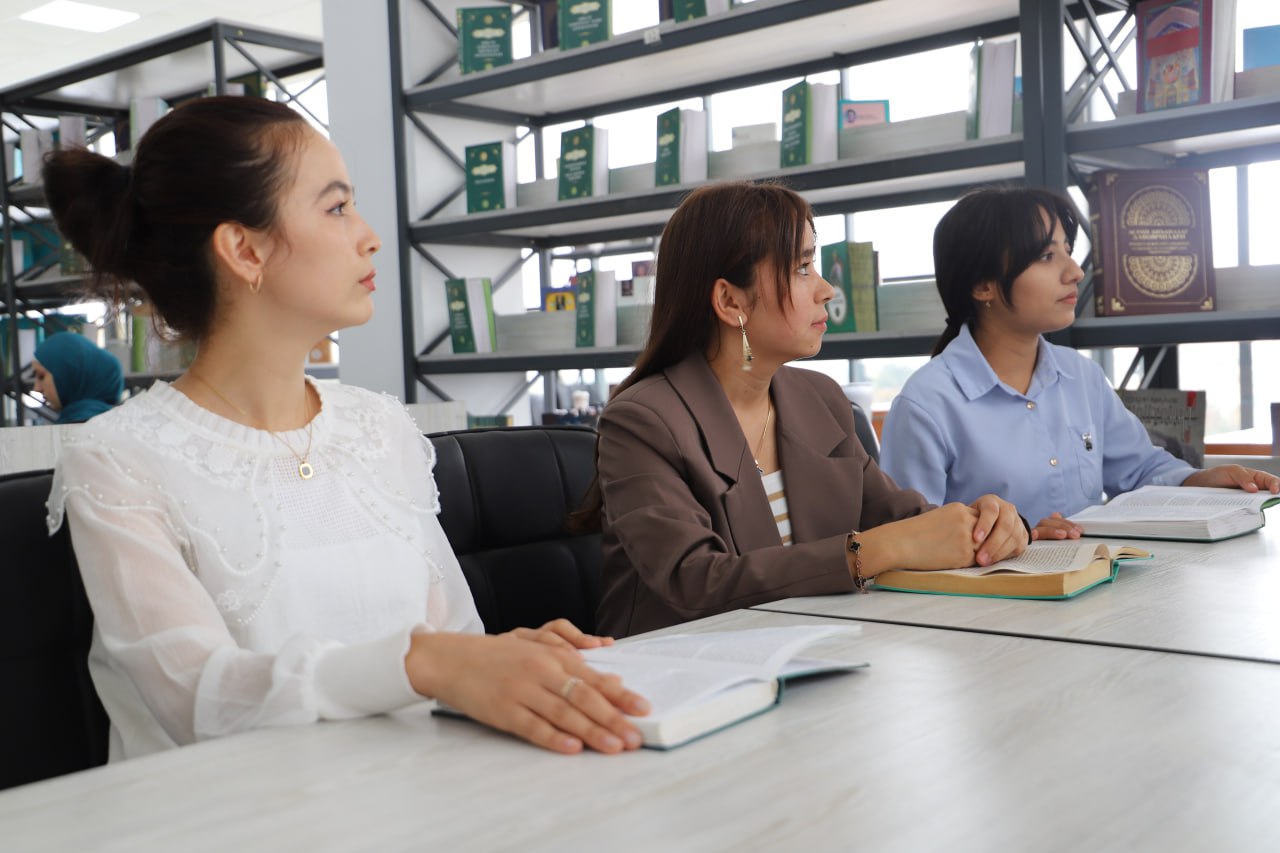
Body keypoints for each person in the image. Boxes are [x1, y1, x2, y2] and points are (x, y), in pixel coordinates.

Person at [41, 96, 647, 761]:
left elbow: (457, 639)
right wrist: (422, 664)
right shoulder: (117, 458)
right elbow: (196, 697)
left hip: (417, 794)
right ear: (244, 249)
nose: (370, 235)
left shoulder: (379, 427)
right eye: (336, 208)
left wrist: (512, 665)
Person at [577, 182, 1029, 639]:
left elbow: (900, 520)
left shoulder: (820, 398)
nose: (827, 289)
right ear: (731, 301)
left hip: (816, 655)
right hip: (677, 678)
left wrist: (986, 526)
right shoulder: (642, 420)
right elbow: (694, 582)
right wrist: (871, 551)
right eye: (803, 268)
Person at [879, 186, 1279, 541]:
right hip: (984, 614)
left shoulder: (1081, 376)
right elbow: (908, 541)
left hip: (1090, 591)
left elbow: (1139, 471)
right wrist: (1024, 540)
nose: (1074, 272)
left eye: (1068, 252)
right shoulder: (926, 405)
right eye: (1046, 256)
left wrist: (1204, 479)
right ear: (983, 285)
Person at [31, 332, 123, 423]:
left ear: (68, 375)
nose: (37, 388)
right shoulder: (113, 423)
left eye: (41, 376)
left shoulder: (77, 424)